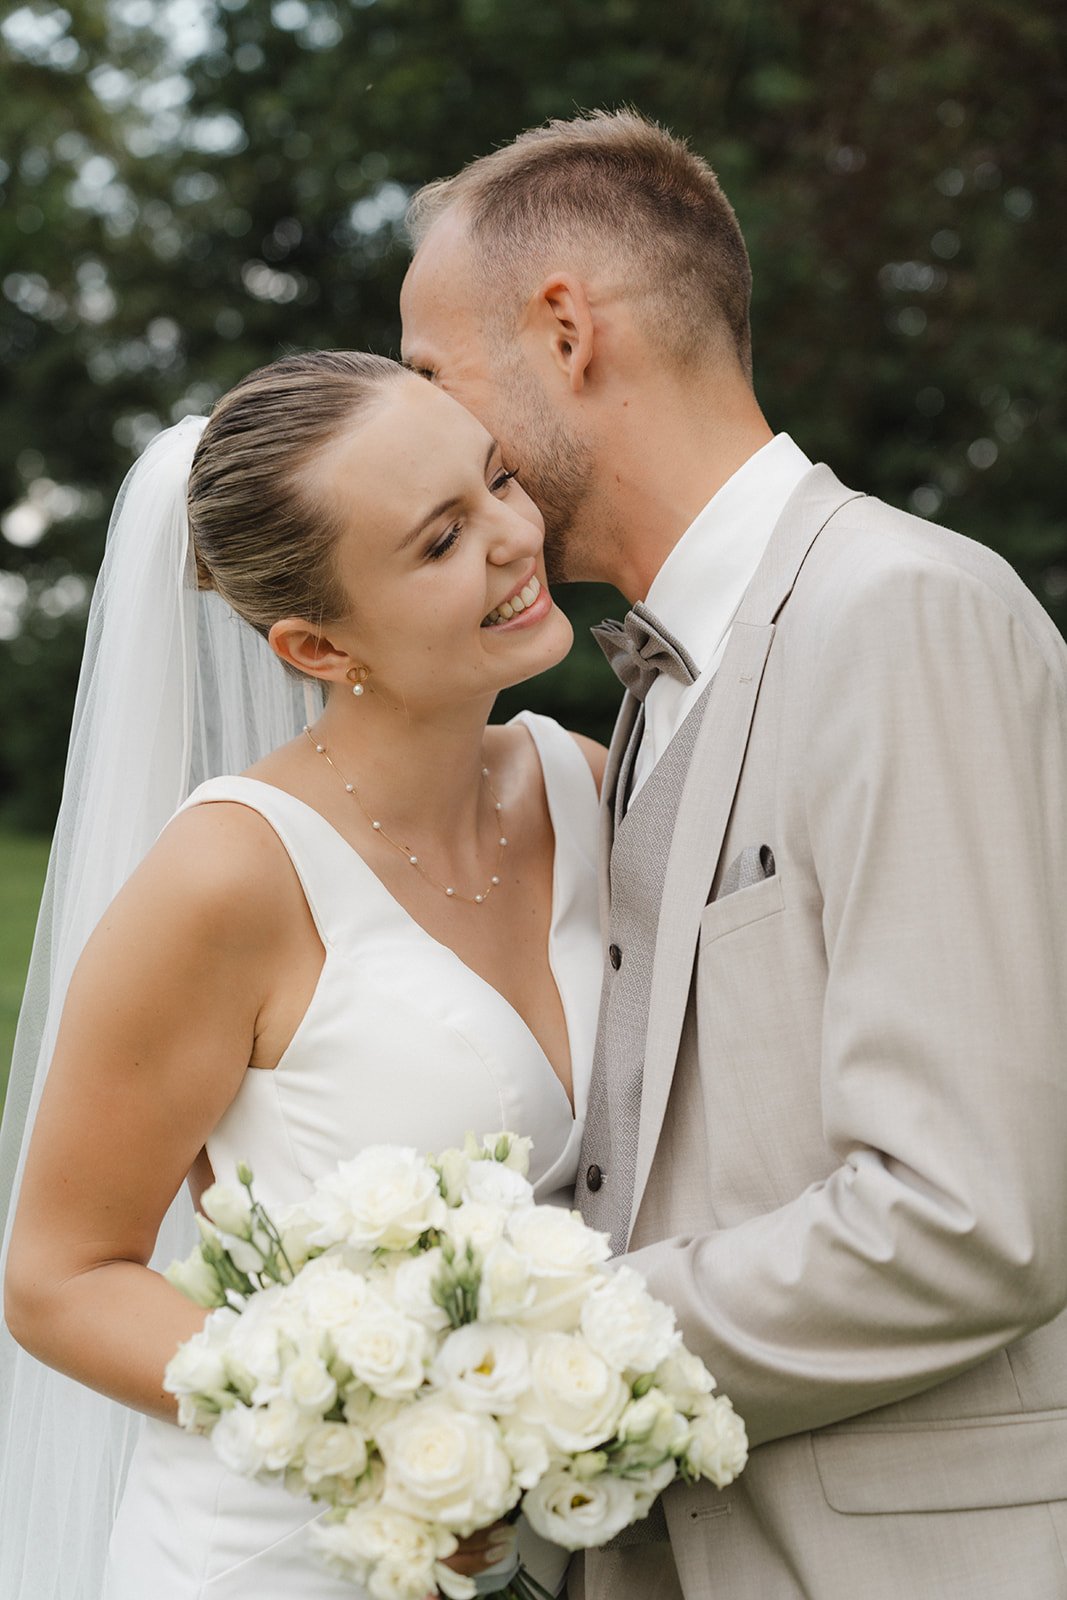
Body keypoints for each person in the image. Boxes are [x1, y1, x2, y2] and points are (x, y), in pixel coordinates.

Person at [399, 110, 1067, 1600]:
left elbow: (970, 1216)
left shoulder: (898, 613)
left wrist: (528, 1360)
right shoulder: (653, 688)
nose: (432, 438)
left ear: (562, 330)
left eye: (435, 377)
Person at [0, 350, 604, 1599]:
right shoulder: (229, 878)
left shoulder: (589, 787)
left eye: (496, 480)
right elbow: (58, 1278)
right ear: (316, 644)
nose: (509, 536)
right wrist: (368, 1434)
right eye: (439, 541)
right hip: (268, 1555)